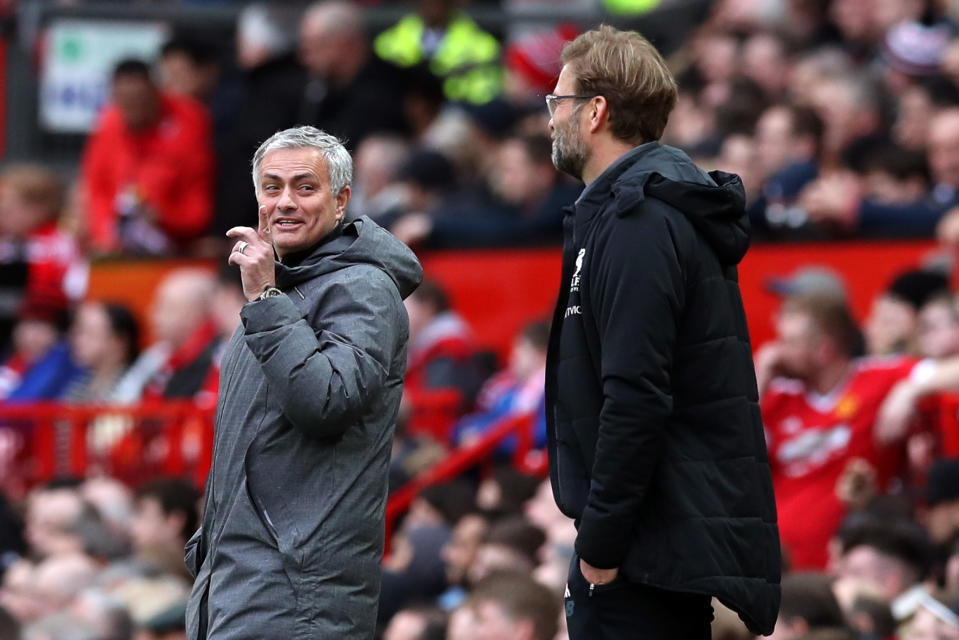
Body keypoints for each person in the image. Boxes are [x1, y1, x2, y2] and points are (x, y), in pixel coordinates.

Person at [543, 26, 780, 639]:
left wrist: (598, 550)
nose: (549, 120)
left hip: (642, 557)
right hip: (645, 545)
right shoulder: (626, 212)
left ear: (595, 112)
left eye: (557, 103)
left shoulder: (639, 221)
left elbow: (636, 397)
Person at [185, 126, 422, 639]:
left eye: (304, 188)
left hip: (298, 594)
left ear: (341, 201)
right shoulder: (282, 287)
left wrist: (266, 299)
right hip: (242, 581)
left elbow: (325, 401)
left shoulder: (363, 288)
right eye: (272, 188)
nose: (285, 202)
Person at [82, 59, 214, 254]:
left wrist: (165, 217)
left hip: (176, 243)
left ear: (154, 92)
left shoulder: (189, 121)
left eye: (139, 100)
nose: (132, 111)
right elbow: (97, 189)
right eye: (124, 102)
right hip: (119, 243)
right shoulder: (107, 125)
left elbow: (197, 200)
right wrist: (105, 234)